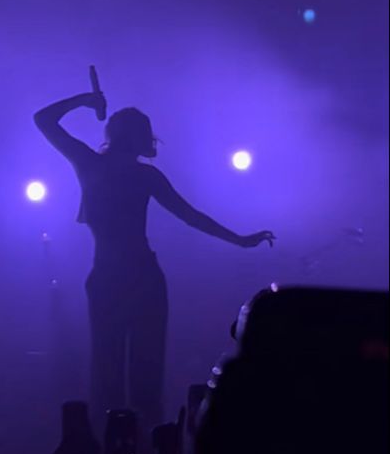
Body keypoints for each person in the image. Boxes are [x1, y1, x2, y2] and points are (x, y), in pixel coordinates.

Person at [34, 89, 275, 435]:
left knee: (109, 371)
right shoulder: (143, 176)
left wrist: (85, 101)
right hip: (140, 278)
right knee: (141, 373)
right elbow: (191, 216)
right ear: (137, 138)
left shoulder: (93, 165)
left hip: (111, 278)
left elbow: (43, 119)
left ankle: (117, 452)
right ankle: (146, 453)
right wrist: (239, 240)